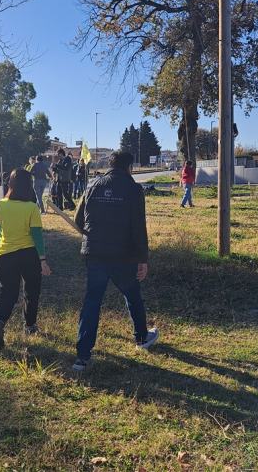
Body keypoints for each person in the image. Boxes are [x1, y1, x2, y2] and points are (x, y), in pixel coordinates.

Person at [72, 151, 159, 371]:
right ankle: (141, 337)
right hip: (123, 254)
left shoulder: (93, 185)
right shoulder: (133, 189)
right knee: (132, 294)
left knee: (92, 302)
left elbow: (78, 220)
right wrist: (142, 259)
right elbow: (139, 227)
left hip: (95, 253)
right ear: (128, 167)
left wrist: (92, 235)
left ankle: (82, 357)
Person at [0, 169, 53, 350]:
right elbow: (37, 236)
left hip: (4, 255)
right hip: (28, 255)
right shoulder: (32, 207)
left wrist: (4, 243)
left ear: (10, 185)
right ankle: (30, 326)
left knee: (7, 292)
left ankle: (0, 321)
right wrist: (43, 260)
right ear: (29, 186)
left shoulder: (1, 206)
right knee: (31, 292)